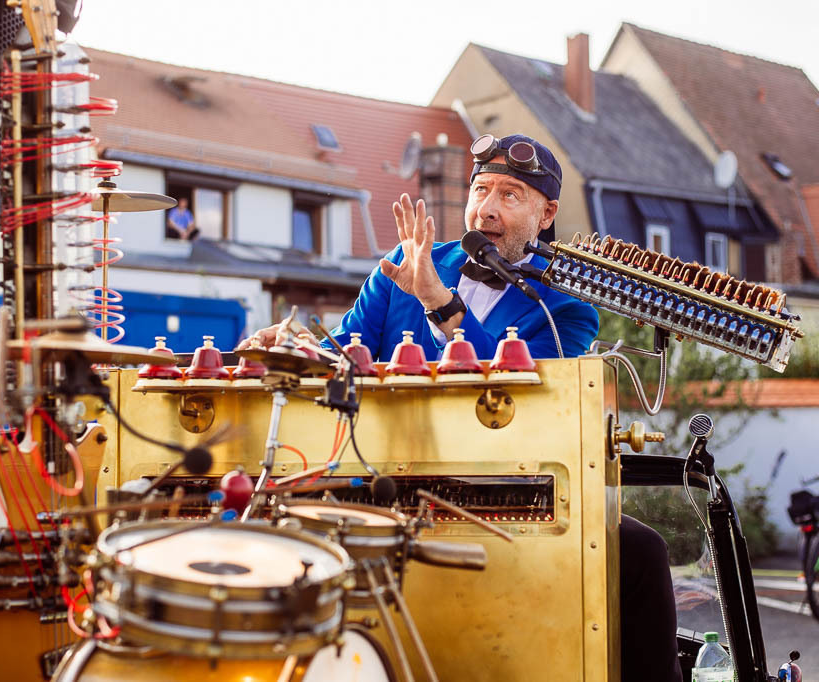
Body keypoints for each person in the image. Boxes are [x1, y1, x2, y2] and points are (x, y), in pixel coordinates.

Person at [243, 134, 681, 682]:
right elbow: (342, 353)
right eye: (481, 190)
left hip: (505, 492)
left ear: (546, 214)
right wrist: (292, 349)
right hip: (382, 481)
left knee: (640, 553)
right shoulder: (406, 263)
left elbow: (526, 399)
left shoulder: (565, 305)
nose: (489, 207)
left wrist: (439, 301)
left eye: (511, 194)